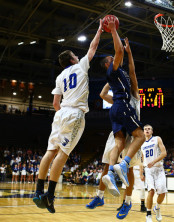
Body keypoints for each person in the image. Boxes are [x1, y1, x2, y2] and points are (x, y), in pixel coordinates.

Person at [32, 19, 104, 213]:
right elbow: (93, 46)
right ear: (73, 60)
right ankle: (50, 195)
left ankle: (38, 191)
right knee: (63, 154)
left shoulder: (59, 77)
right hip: (74, 113)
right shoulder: (81, 66)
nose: (78, 55)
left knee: (50, 152)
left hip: (60, 113)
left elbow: (55, 103)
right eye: (75, 55)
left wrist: (63, 115)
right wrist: (99, 30)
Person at [87, 37, 145, 219]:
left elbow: (133, 73)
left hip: (130, 132)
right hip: (121, 125)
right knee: (107, 166)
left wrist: (129, 55)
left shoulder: (134, 95)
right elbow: (102, 94)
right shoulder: (120, 96)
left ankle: (127, 203)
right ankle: (99, 196)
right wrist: (112, 78)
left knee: (128, 170)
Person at [100, 17, 145, 198]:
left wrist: (130, 53)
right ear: (107, 64)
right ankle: (122, 165)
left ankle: (111, 173)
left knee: (118, 143)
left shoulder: (121, 75)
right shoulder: (114, 73)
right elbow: (117, 51)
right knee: (140, 136)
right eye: (110, 59)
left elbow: (132, 71)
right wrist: (112, 30)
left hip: (118, 110)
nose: (114, 57)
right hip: (124, 109)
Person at [141, 124, 167, 222]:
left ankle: (157, 208)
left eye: (149, 129)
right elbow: (142, 160)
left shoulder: (157, 139)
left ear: (152, 131)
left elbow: (164, 153)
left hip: (159, 168)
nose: (147, 130)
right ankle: (148, 214)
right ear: (143, 132)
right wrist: (141, 172)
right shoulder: (141, 144)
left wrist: (154, 161)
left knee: (162, 193)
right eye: (145, 129)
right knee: (151, 191)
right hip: (148, 170)